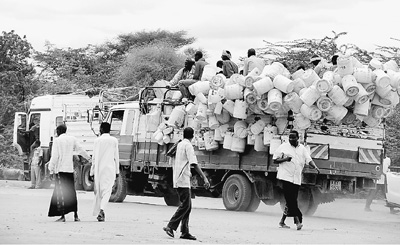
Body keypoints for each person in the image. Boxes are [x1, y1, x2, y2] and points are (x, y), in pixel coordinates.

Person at [163, 127, 211, 240]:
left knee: (187, 206)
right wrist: (204, 178)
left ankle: (184, 231)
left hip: (178, 178)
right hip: (183, 179)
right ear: (193, 136)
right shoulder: (188, 146)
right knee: (186, 205)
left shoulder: (179, 144)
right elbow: (194, 163)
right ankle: (170, 226)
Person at [273, 130, 320, 230]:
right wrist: (285, 159)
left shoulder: (302, 148)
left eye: (293, 138)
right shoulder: (283, 147)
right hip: (285, 177)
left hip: (296, 178)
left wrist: (315, 167)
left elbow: (308, 159)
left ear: (298, 138)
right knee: (292, 200)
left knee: (291, 201)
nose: (291, 140)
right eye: (290, 138)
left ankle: (282, 221)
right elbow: (275, 160)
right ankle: (298, 221)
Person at [48, 124, 91, 222]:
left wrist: (51, 169)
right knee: (72, 192)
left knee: (61, 193)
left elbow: (55, 156)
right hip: (70, 170)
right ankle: (76, 215)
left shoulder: (57, 141)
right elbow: (80, 149)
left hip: (60, 170)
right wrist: (88, 158)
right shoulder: (72, 139)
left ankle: (63, 216)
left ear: (58, 131)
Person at [90, 122, 120, 222]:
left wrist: (92, 172)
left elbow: (94, 158)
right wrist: (117, 170)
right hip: (110, 168)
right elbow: (116, 157)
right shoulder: (114, 140)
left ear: (101, 129)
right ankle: (102, 210)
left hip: (99, 169)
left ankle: (100, 210)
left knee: (99, 191)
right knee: (107, 190)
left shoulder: (97, 141)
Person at [365, 149, 398, 214]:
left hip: (385, 181)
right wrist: (383, 173)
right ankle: (367, 207)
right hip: (377, 180)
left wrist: (387, 174)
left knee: (387, 195)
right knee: (372, 194)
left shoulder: (388, 160)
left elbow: (388, 168)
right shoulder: (377, 159)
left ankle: (391, 209)